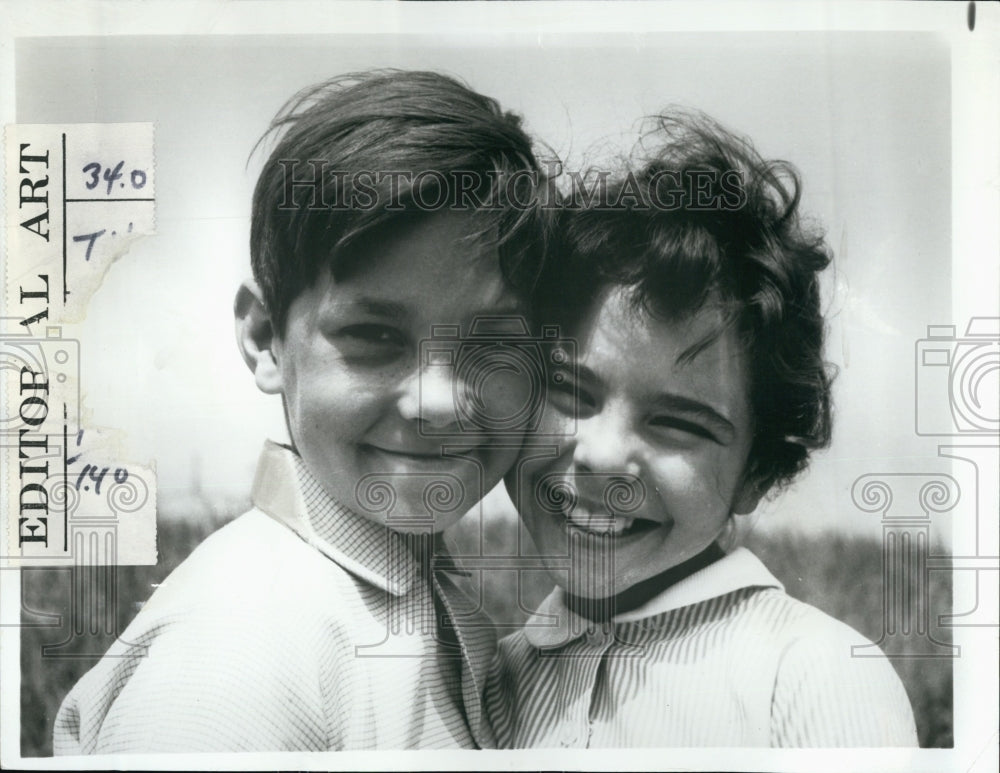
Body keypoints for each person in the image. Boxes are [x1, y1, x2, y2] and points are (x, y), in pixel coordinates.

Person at [54, 69, 552, 753]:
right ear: (264, 338)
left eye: (492, 345)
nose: (439, 401)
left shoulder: (406, 597)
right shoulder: (235, 655)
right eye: (375, 337)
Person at [487, 110, 918, 747]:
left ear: (759, 472)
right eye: (570, 390)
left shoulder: (810, 678)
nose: (602, 455)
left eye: (676, 425)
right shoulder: (493, 681)